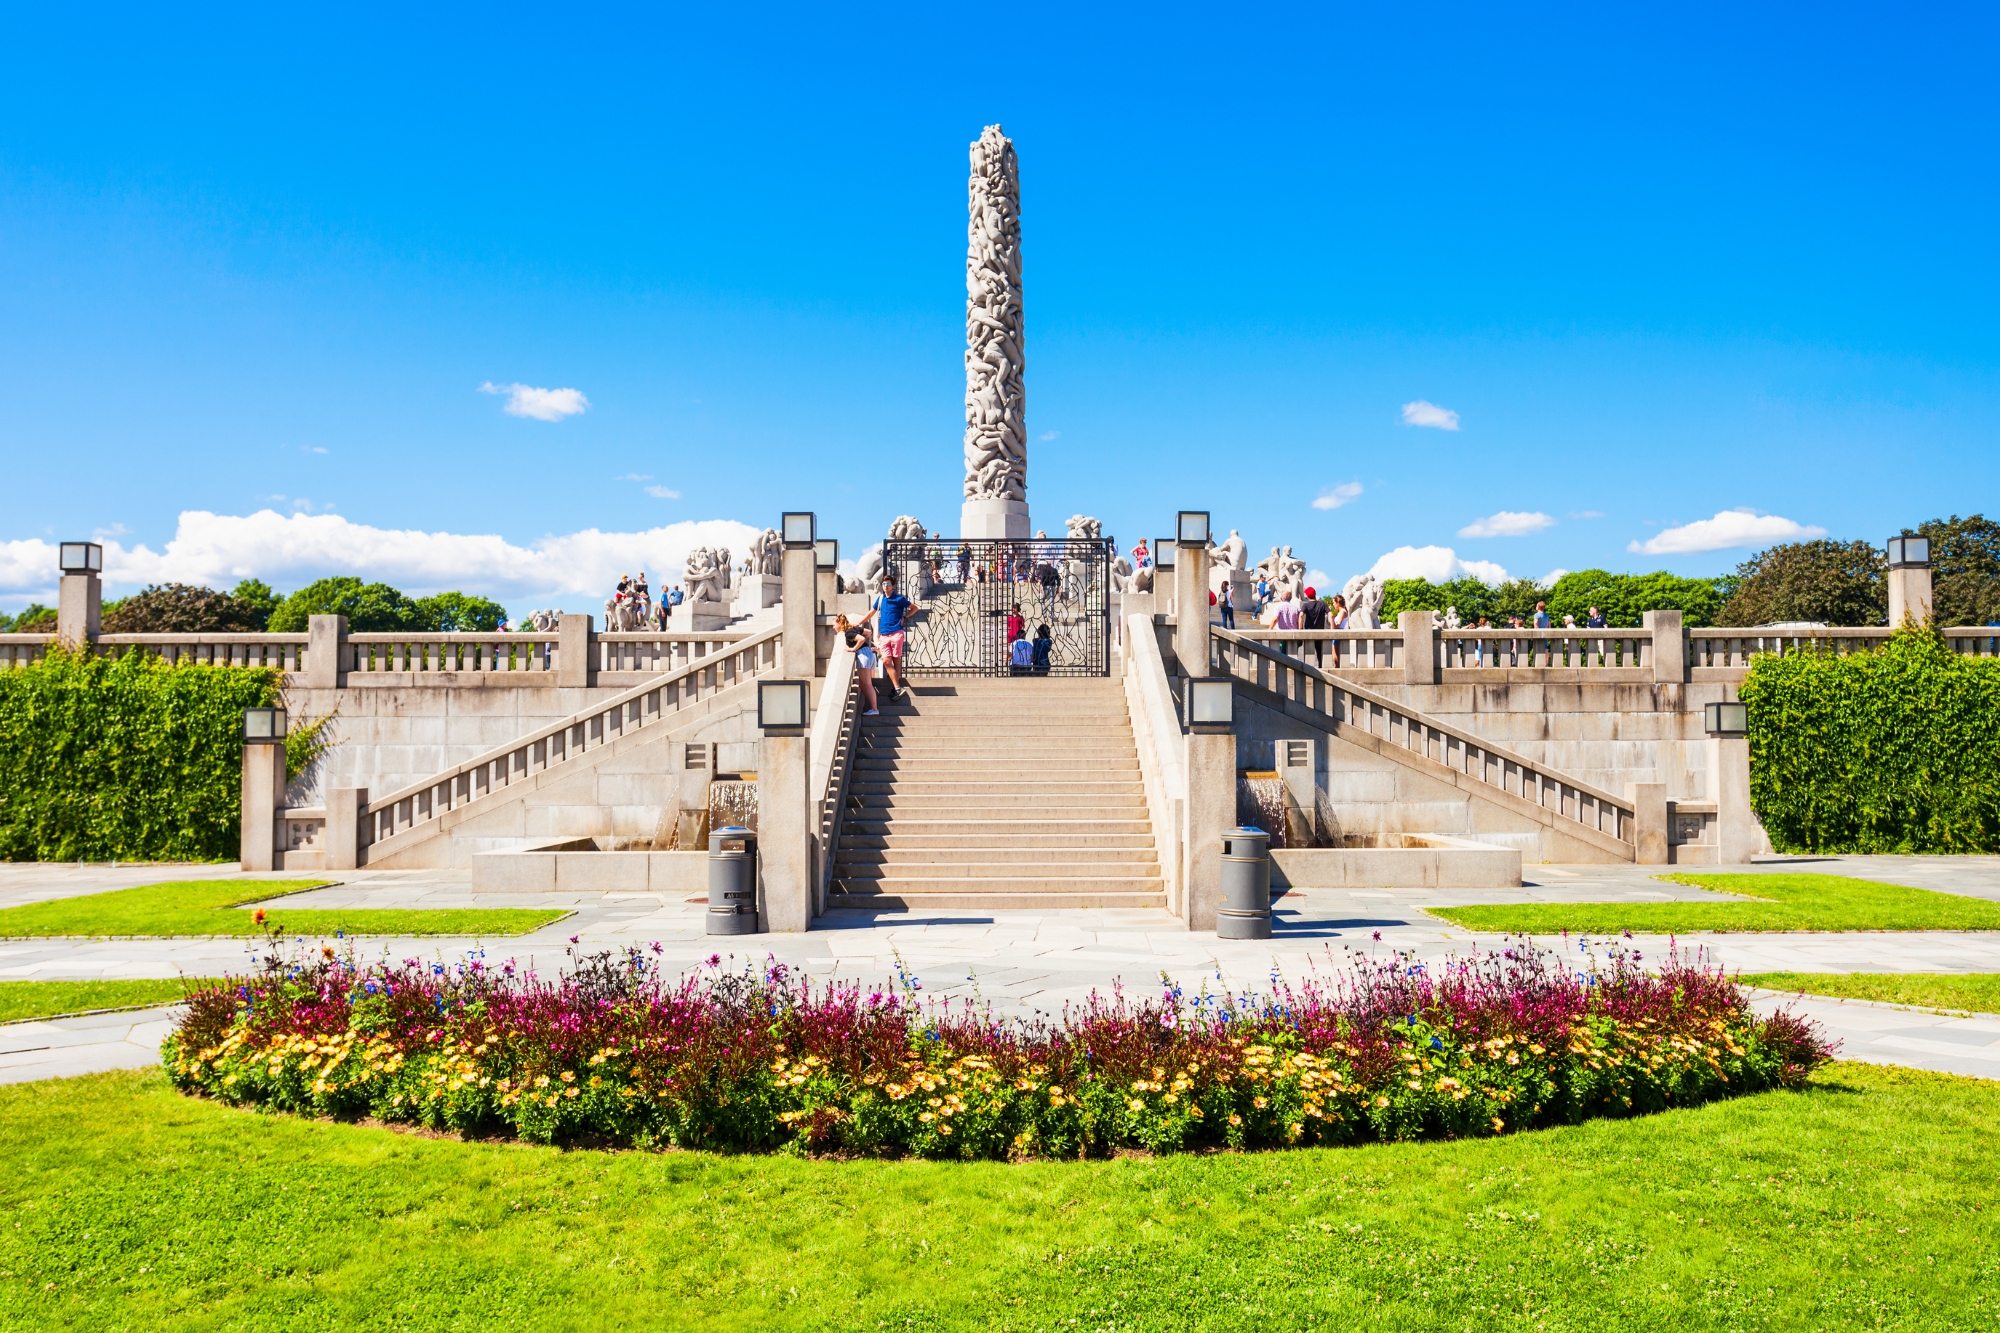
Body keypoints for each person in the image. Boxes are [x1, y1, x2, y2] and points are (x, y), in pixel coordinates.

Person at [863, 574, 914, 699]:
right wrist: (859, 622)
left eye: (888, 584)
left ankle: (895, 686)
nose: (885, 586)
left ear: (893, 586)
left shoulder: (899, 599)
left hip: (896, 633)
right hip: (884, 635)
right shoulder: (880, 599)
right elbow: (871, 612)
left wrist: (905, 617)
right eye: (884, 584)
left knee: (896, 660)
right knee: (886, 661)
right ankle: (897, 687)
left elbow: (914, 608)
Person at [1271, 587, 1301, 656]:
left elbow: (1275, 619)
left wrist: (1269, 629)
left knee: (1282, 656)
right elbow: (1300, 620)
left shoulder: (1278, 607)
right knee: (1293, 657)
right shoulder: (1296, 608)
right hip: (1293, 635)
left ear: (1281, 598)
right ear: (1290, 598)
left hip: (1282, 635)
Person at [1329, 593, 1348, 669]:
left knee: (1335, 655)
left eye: (1334, 602)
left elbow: (1338, 625)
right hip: (1337, 633)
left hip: (1338, 634)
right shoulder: (1342, 611)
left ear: (1338, 603)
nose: (1333, 604)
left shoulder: (1343, 611)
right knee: (1335, 655)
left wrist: (1331, 619)